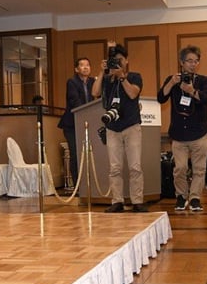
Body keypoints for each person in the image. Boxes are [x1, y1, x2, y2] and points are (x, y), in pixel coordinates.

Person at [92, 43, 146, 212]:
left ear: (127, 61)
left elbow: (132, 93)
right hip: (112, 128)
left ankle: (137, 201)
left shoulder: (135, 76)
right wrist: (102, 72)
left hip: (131, 126)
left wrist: (122, 77)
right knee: (115, 167)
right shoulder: (107, 80)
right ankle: (117, 201)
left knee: (135, 166)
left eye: (120, 60)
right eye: (114, 61)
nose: (117, 63)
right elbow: (95, 92)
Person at [159, 45, 207, 211]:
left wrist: (192, 91)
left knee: (199, 169)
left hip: (199, 132)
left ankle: (195, 198)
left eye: (196, 61)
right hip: (179, 134)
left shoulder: (203, 81)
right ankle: (181, 196)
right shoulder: (172, 80)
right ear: (181, 62)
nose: (193, 64)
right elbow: (161, 98)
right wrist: (171, 83)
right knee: (180, 168)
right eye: (189, 61)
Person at [57, 57, 94, 186]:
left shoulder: (93, 82)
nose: (85, 67)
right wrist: (87, 113)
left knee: (91, 154)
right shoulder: (72, 82)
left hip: (89, 123)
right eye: (82, 65)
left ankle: (90, 183)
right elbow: (75, 101)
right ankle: (78, 186)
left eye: (88, 65)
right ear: (76, 69)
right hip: (72, 124)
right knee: (75, 153)